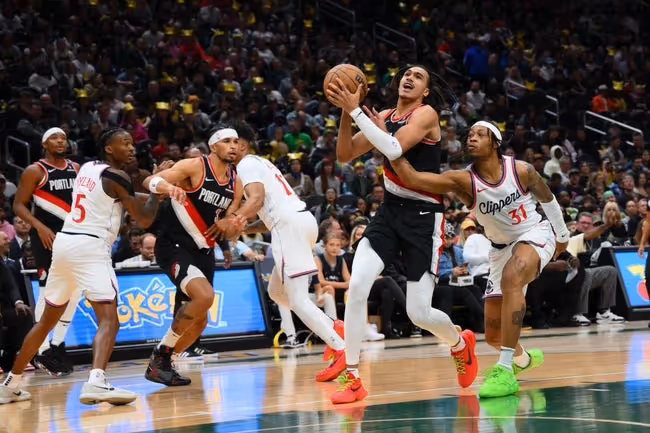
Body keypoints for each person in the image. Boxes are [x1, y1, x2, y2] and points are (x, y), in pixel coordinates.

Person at [358, 119, 569, 398]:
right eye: (469, 135)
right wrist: (385, 138)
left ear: (495, 142)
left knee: (512, 277)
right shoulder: (463, 180)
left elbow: (548, 199)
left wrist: (562, 236)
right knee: (494, 335)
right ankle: (522, 359)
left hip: (534, 232)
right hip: (500, 249)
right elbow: (413, 178)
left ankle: (505, 369)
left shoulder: (521, 170)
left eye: (480, 134)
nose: (472, 138)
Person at [0, 127, 185, 405]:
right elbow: (145, 219)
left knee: (46, 321)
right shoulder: (117, 176)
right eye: (125, 143)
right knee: (109, 319)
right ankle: (97, 382)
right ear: (109, 148)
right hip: (90, 246)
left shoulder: (87, 168)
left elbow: (123, 194)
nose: (131, 147)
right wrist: (156, 190)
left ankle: (10, 384)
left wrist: (153, 188)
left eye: (131, 143)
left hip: (65, 243)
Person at [325, 65, 476, 404]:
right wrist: (346, 113)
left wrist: (355, 111)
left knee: (418, 313)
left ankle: (459, 344)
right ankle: (353, 377)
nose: (409, 78)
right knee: (357, 286)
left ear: (425, 91)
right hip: (389, 212)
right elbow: (345, 154)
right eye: (406, 74)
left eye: (418, 77)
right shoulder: (383, 115)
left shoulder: (426, 114)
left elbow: (393, 148)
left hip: (424, 217)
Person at [220, 121, 347, 382]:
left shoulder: (246, 165)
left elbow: (255, 199)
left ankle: (340, 347)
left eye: (232, 142)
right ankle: (332, 325)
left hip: (288, 227)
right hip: (298, 222)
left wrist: (234, 220)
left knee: (298, 299)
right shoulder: (260, 163)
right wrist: (244, 227)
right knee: (276, 292)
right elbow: (265, 213)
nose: (229, 148)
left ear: (242, 144)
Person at [141, 124, 244, 384]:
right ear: (213, 146)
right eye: (227, 141)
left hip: (204, 251)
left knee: (199, 322)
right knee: (205, 296)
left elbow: (228, 226)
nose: (233, 146)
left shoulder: (236, 182)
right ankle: (160, 354)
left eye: (236, 141)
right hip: (174, 245)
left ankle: (163, 364)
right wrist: (167, 187)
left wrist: (233, 228)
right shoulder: (195, 166)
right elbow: (148, 181)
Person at [12, 127, 80, 376]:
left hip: (73, 235)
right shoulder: (35, 170)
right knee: (49, 290)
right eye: (54, 138)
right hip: (46, 236)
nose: (60, 141)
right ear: (44, 144)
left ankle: (56, 344)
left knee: (75, 290)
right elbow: (18, 205)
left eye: (63, 138)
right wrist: (38, 227)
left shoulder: (75, 168)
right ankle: (41, 349)